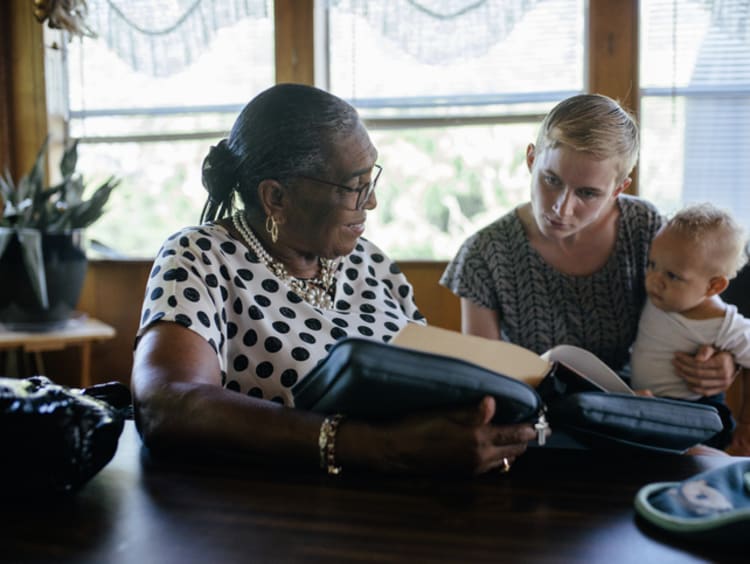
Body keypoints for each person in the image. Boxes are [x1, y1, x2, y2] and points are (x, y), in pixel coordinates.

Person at [131, 83, 539, 477]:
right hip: (273, 518)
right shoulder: (201, 257)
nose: (373, 202)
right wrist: (378, 447)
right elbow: (167, 403)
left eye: (371, 181)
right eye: (354, 187)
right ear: (276, 197)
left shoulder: (370, 263)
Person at [440, 94, 738, 402]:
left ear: (618, 189)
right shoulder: (484, 254)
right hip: (539, 411)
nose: (561, 208)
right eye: (551, 179)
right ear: (531, 159)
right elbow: (485, 378)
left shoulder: (643, 227)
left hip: (644, 403)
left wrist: (723, 361)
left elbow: (703, 308)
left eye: (587, 193)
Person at [630, 203, 750, 452]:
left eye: (672, 276)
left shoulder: (724, 324)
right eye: (652, 264)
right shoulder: (662, 296)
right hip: (648, 405)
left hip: (695, 417)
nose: (654, 280)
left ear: (713, 287)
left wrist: (747, 423)